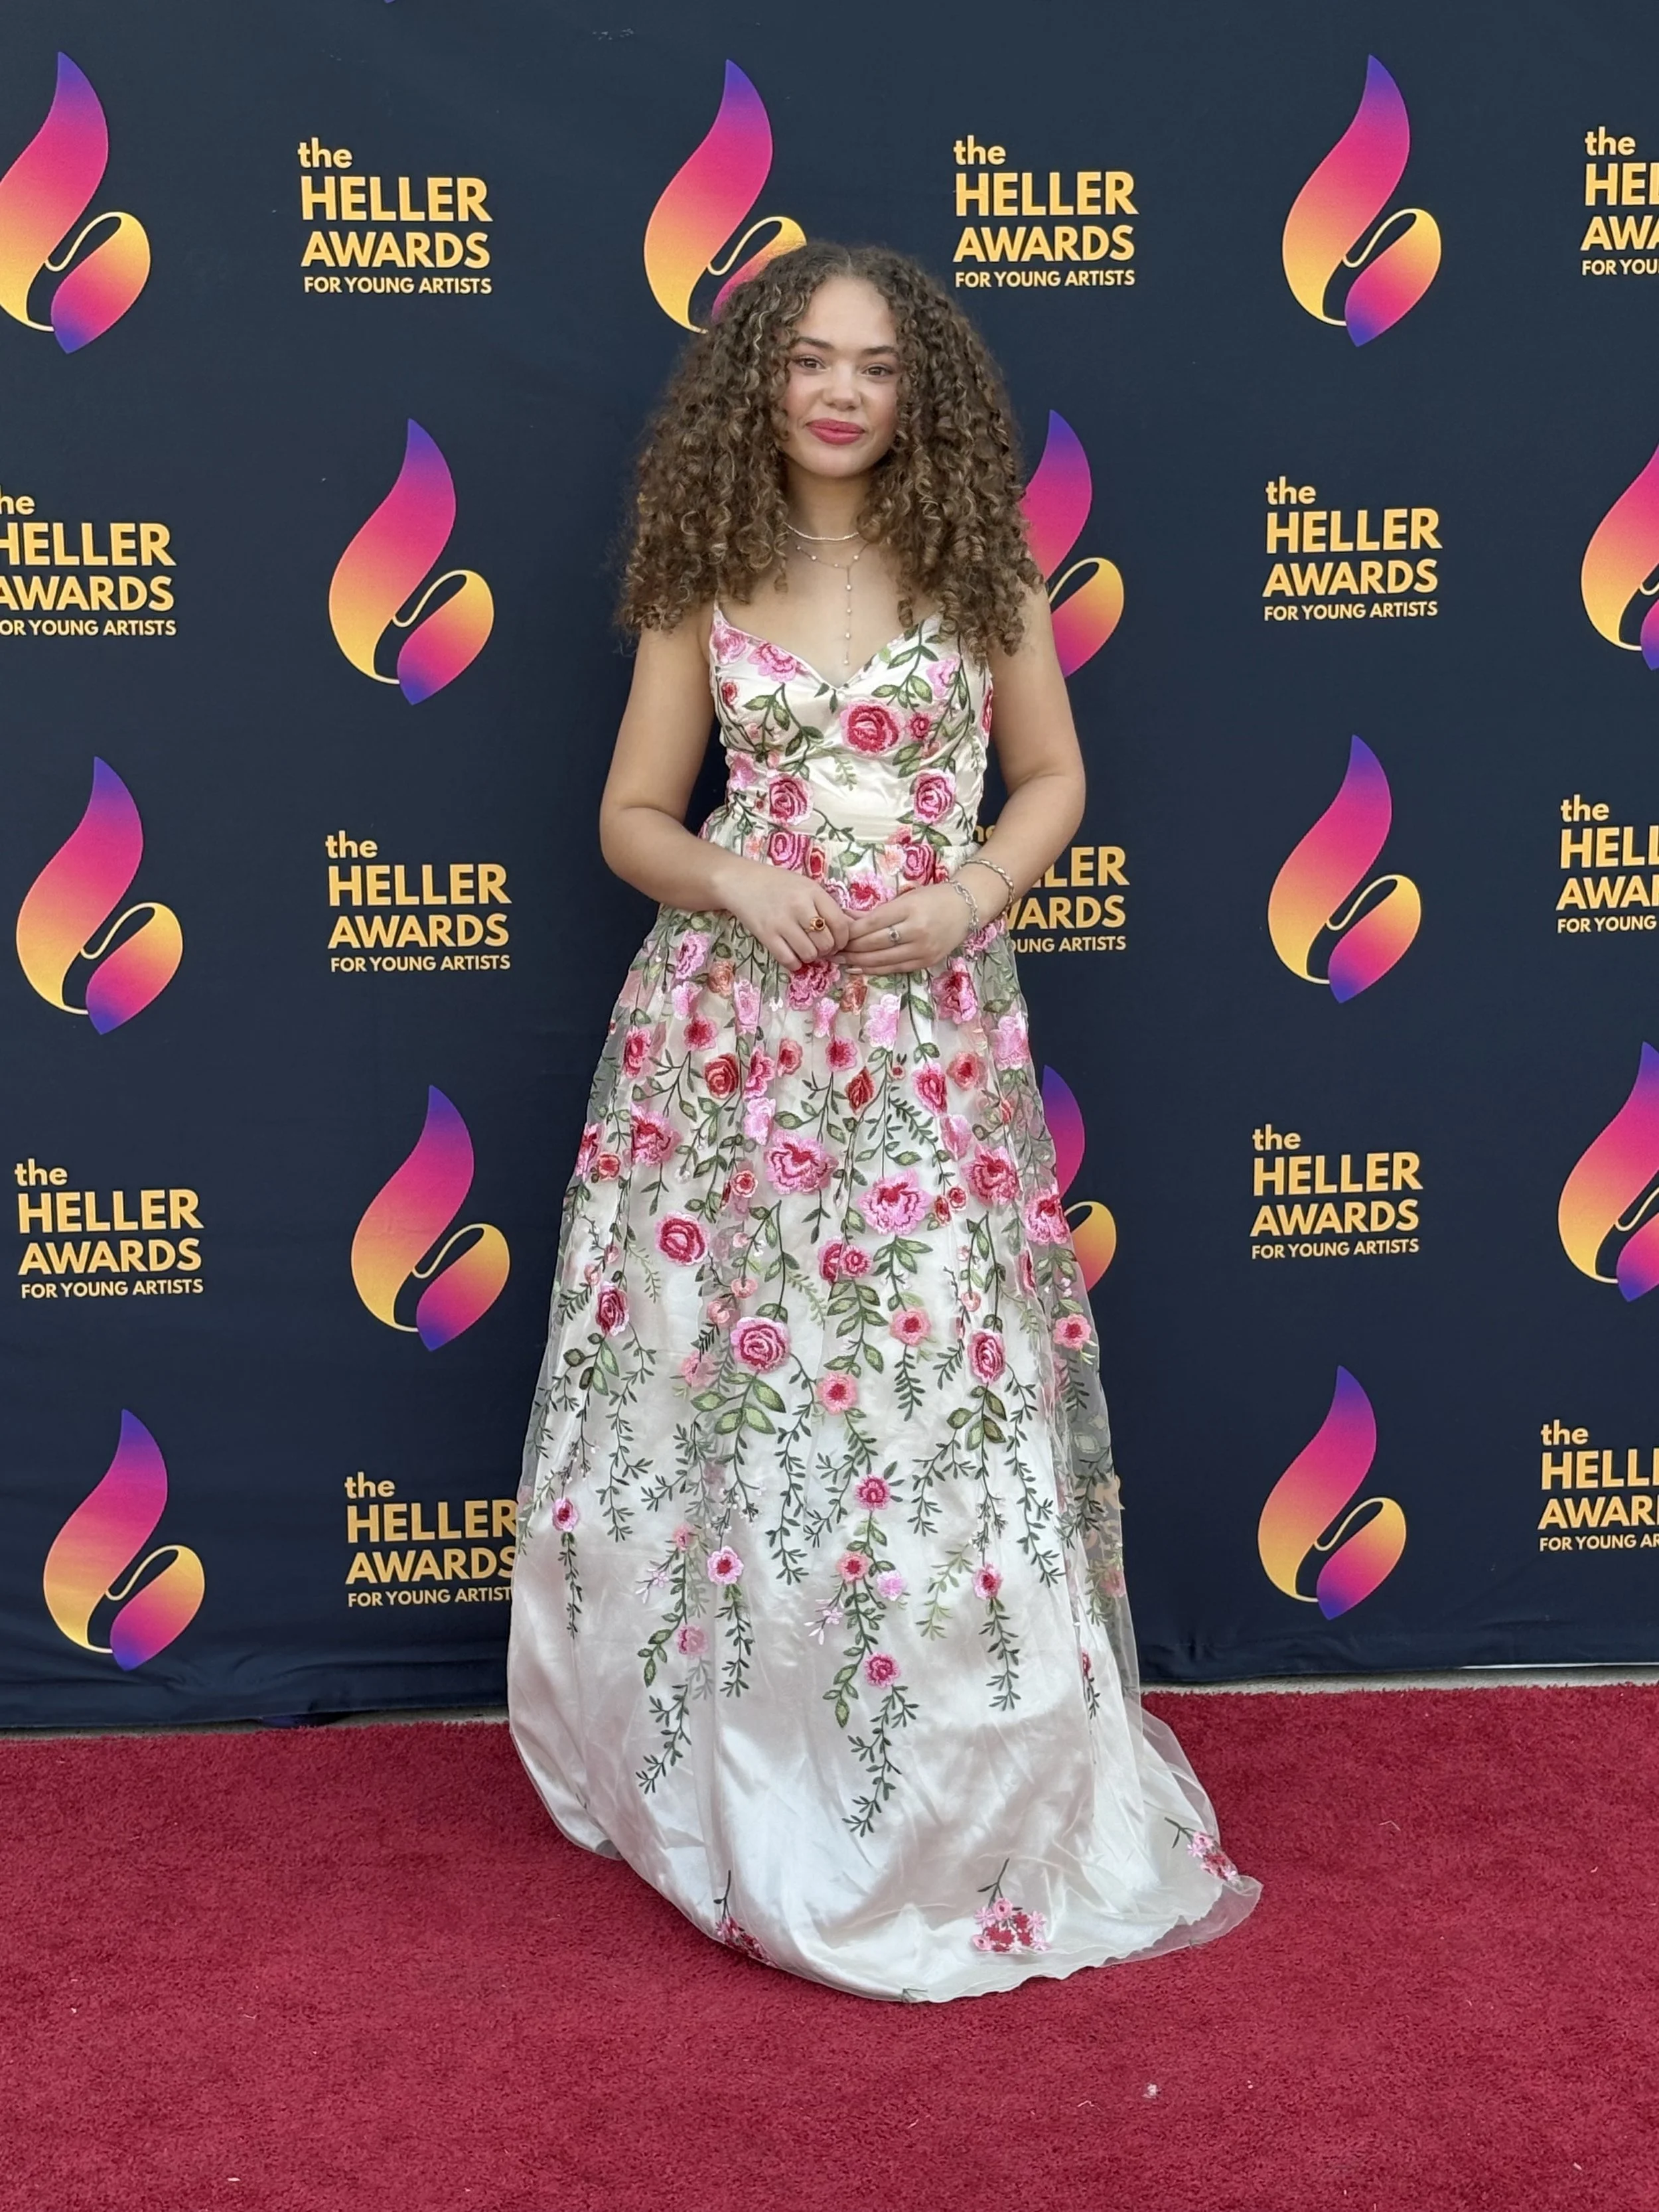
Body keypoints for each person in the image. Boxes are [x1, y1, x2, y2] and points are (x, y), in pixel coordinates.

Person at [508, 242, 1258, 2000]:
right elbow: (630, 813)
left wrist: (976, 884)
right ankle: (742, 1754)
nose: (839, 392)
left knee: (922, 1396)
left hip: (923, 1040)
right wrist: (729, 874)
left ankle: (943, 1782)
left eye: (872, 367)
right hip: (735, 1046)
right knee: (749, 1399)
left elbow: (1056, 773)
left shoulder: (984, 562)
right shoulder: (700, 567)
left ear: (916, 395)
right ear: (758, 382)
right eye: (808, 361)